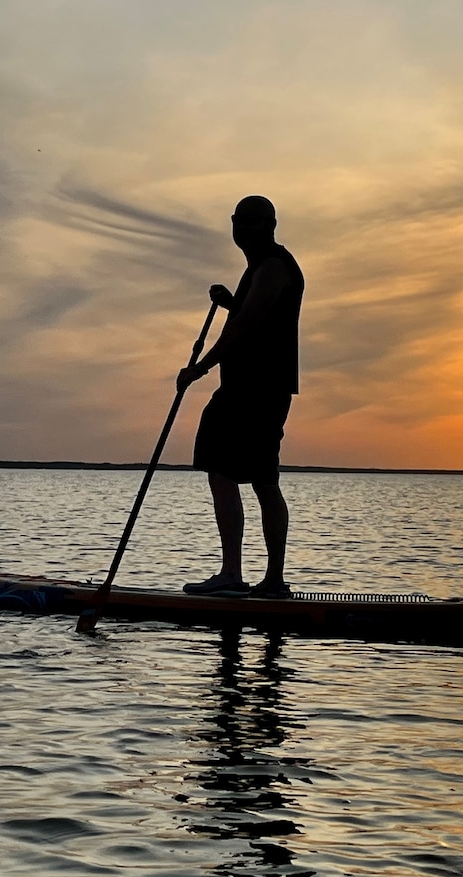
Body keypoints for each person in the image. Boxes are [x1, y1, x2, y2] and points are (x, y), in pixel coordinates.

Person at [176, 195, 304, 599]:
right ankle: (266, 581)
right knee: (255, 477)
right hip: (256, 388)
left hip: (255, 390)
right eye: (239, 221)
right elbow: (255, 315)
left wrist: (200, 368)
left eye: (254, 221)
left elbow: (246, 327)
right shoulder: (260, 269)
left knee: (231, 471)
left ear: (271, 224)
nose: (244, 228)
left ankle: (242, 576)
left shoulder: (273, 267)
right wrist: (231, 301)